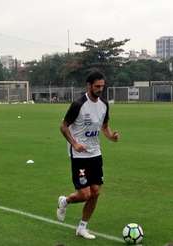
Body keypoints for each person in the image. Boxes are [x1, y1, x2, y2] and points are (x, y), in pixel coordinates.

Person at [57, 70, 119, 239]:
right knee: (85, 194)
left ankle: (82, 227)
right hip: (79, 156)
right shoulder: (78, 104)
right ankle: (65, 201)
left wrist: (111, 136)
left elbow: (104, 127)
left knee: (96, 192)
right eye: (97, 86)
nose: (100, 89)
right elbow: (63, 126)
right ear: (89, 86)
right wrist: (74, 143)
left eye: (102, 86)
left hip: (95, 153)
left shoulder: (104, 105)